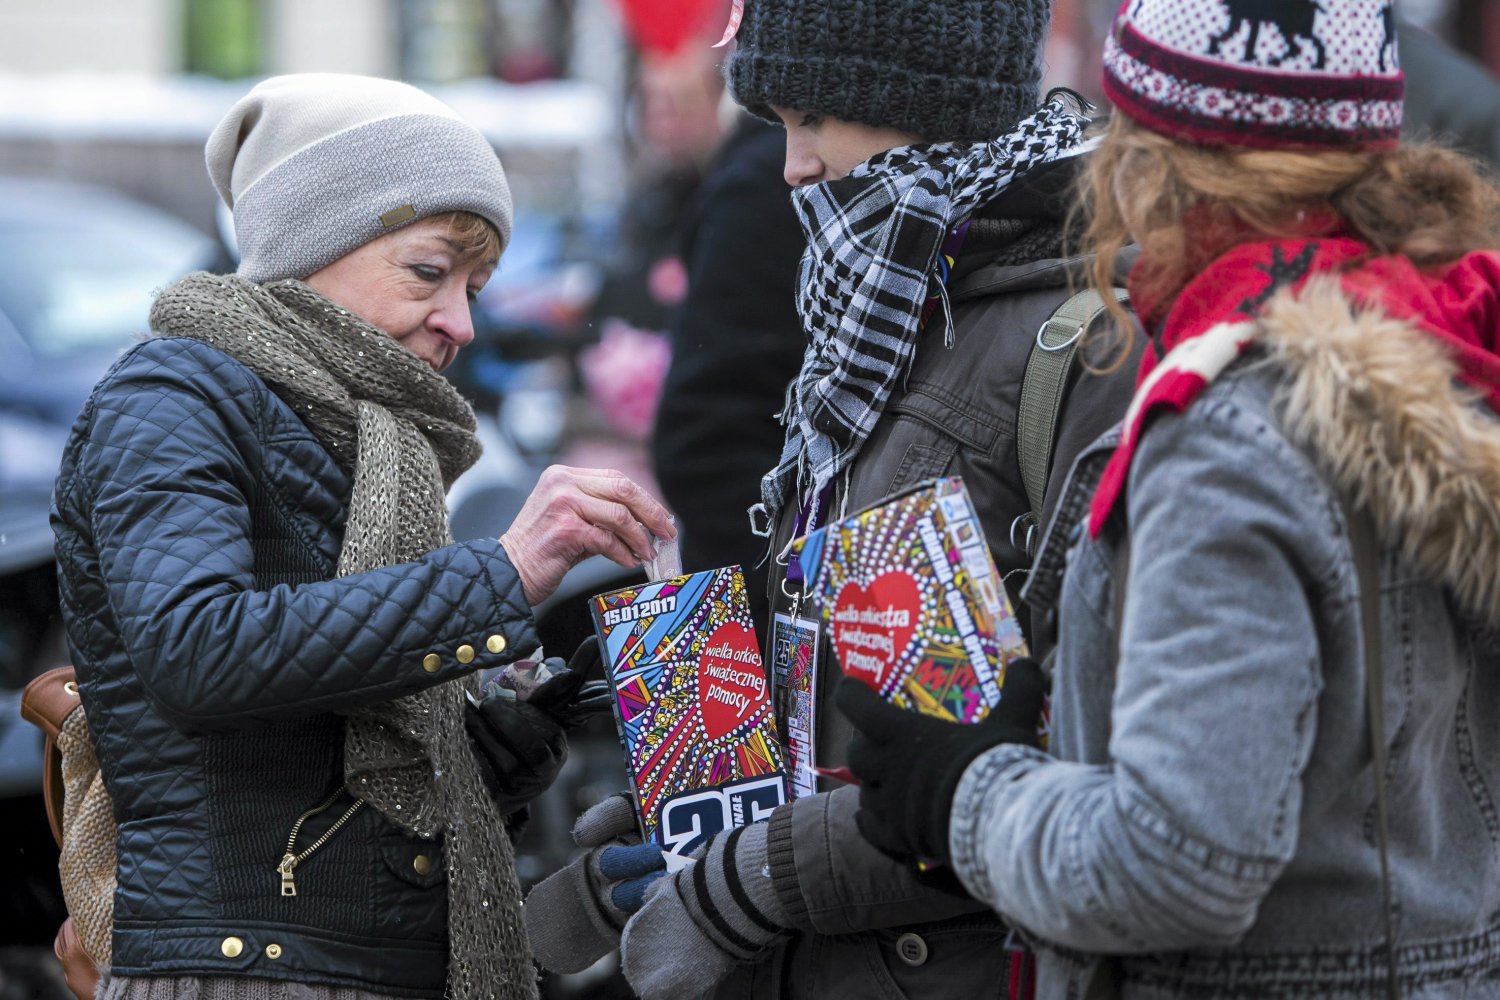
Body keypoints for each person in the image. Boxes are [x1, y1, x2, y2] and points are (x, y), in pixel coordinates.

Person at [838, 0, 1500, 996]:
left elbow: (1175, 862)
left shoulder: (1232, 438)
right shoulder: (1441, 348)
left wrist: (965, 789)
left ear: (1154, 163)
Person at [523, 2, 1141, 997]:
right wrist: (710, 794)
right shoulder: (885, 301)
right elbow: (861, 656)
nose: (791, 167)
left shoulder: (1080, 335)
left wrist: (759, 873)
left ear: (922, 104)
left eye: (813, 119)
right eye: (776, 124)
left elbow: (1057, 759)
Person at [48, 72, 675, 1000]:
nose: (460, 321)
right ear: (315, 241)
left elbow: (352, 769)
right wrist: (501, 573)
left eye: (476, 285)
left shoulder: (379, 442)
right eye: (429, 271)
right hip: (245, 973)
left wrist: (505, 734)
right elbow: (197, 655)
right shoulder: (173, 398)